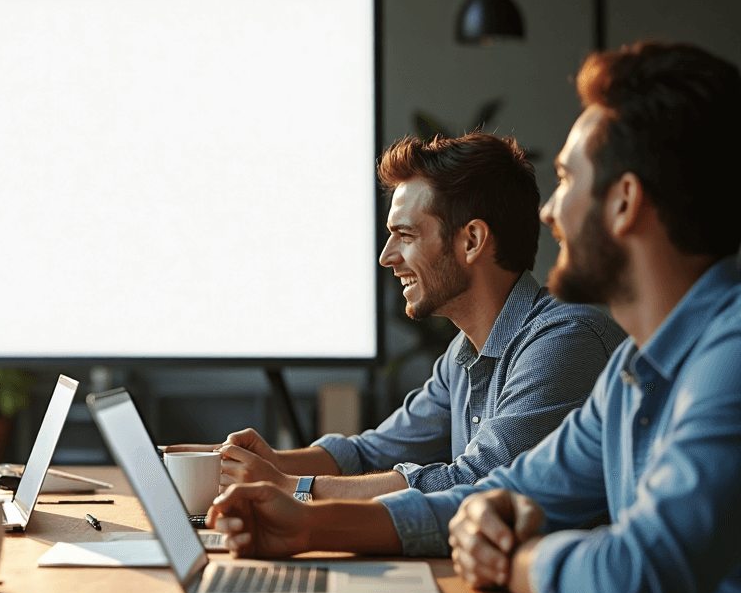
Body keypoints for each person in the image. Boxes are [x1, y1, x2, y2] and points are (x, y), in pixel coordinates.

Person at [209, 41, 741, 593]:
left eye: (569, 179)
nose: (549, 211)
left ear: (624, 202)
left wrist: (511, 557)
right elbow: (502, 489)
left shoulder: (720, 360)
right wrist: (306, 526)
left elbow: (632, 584)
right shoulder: (633, 375)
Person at [169, 132, 624, 514]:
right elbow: (373, 452)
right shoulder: (461, 356)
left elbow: (475, 483)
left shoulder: (565, 342)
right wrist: (271, 463)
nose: (387, 257)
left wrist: (293, 487)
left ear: (472, 241)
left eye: (405, 235)